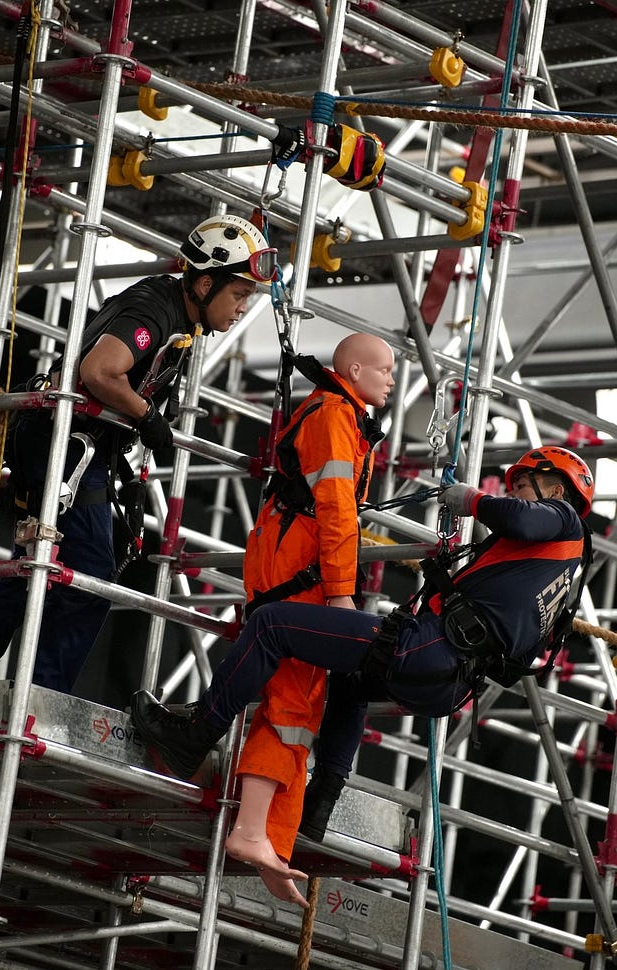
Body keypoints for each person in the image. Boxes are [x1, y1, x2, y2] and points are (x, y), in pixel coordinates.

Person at [131, 446, 594, 872]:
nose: (511, 492)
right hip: (449, 679)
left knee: (271, 625)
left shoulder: (561, 522)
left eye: (521, 484)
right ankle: (321, 802)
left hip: (432, 648)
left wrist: (473, 499)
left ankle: (194, 735)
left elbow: (524, 519)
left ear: (555, 489)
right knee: (350, 687)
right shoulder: (555, 568)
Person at [0, 214, 277, 691]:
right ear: (203, 281)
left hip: (72, 445)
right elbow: (99, 372)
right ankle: (40, 700)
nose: (241, 309)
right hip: (67, 443)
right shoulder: (154, 309)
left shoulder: (178, 318)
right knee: (87, 576)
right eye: (239, 294)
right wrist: (146, 416)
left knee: (33, 570)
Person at [227, 333, 394, 905]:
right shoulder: (332, 414)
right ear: (353, 369)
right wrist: (343, 594)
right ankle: (252, 830)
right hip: (299, 574)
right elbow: (336, 506)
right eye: (384, 367)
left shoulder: (339, 413)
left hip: (298, 570)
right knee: (293, 703)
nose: (392, 377)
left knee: (301, 709)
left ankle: (271, 836)